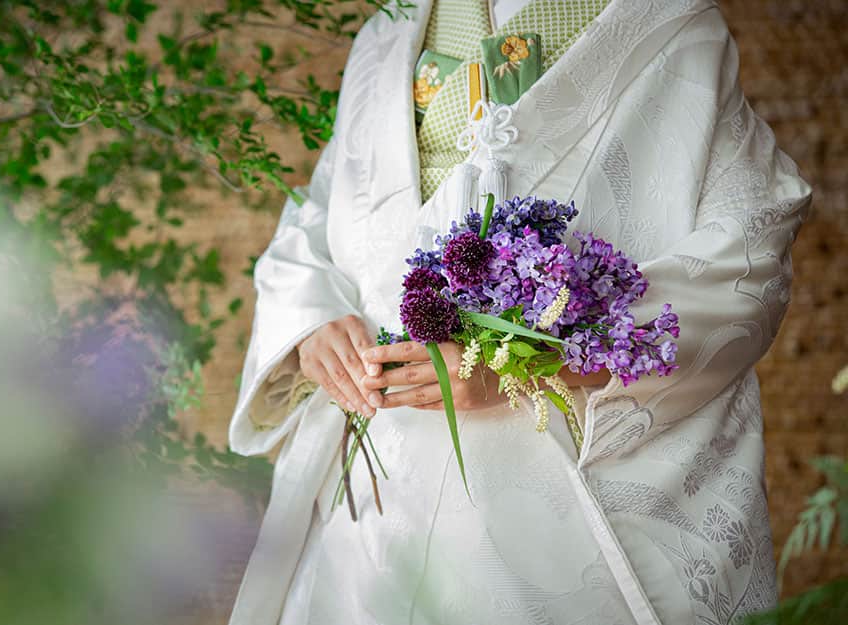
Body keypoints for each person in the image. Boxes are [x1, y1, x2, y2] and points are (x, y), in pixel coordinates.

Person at [227, 1, 813, 624]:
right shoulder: (389, 30)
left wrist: (530, 359)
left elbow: (750, 247)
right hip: (372, 481)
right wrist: (311, 321)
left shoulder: (670, 23)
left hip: (552, 481)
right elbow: (319, 211)